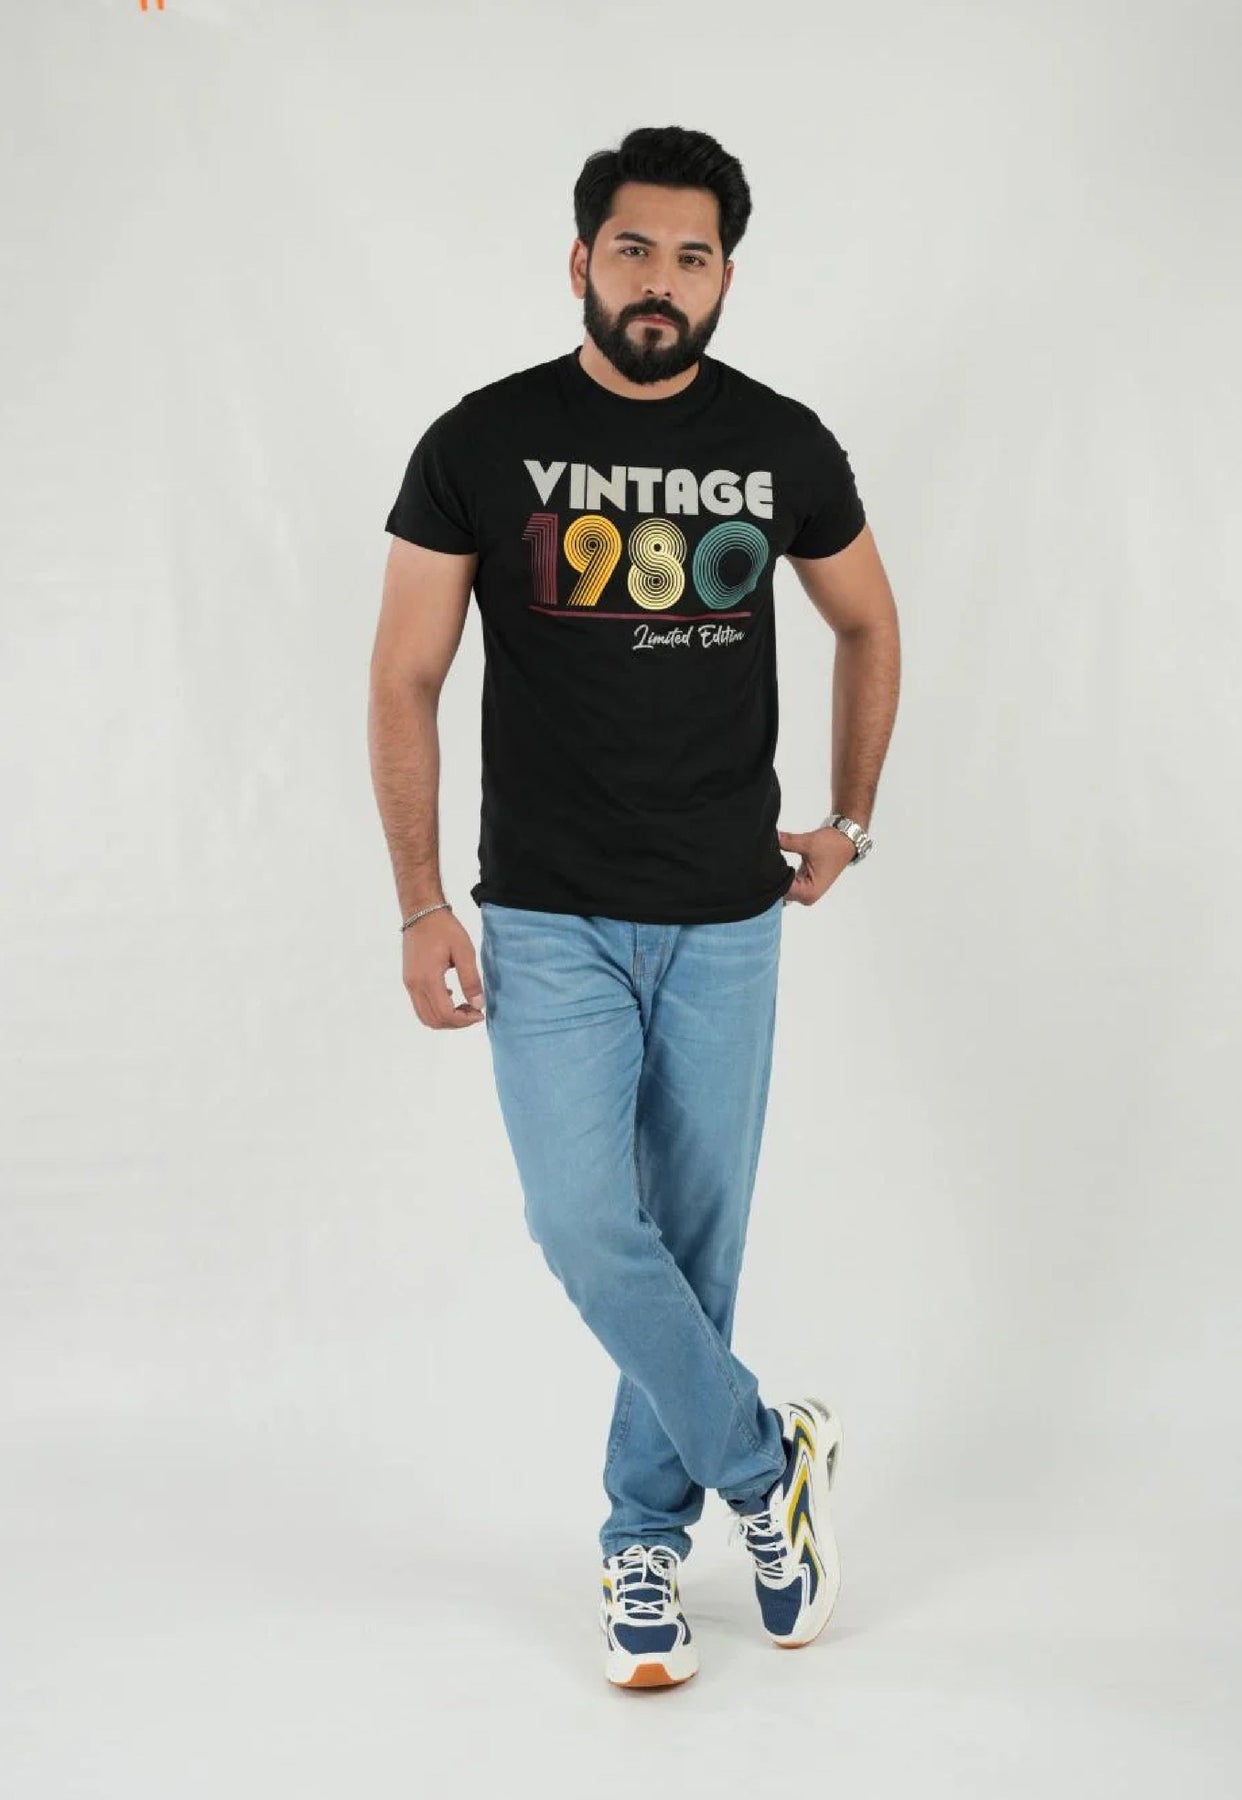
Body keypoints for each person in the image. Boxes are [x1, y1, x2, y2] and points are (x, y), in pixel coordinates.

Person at [369, 124, 901, 1690]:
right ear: (579, 260)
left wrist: (849, 819)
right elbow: (403, 676)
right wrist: (417, 902)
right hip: (547, 915)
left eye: (690, 255)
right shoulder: (480, 440)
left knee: (695, 1243)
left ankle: (641, 1543)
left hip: (729, 914)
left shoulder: (784, 444)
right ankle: (764, 1463)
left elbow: (868, 624)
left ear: (724, 276)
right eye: (631, 249)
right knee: (586, 1225)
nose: (659, 280)